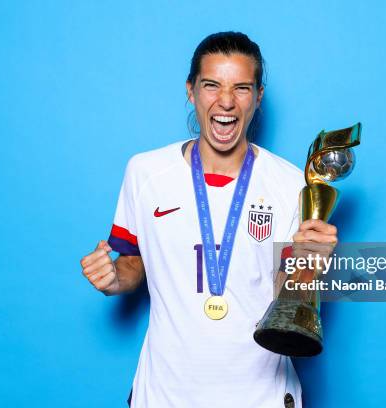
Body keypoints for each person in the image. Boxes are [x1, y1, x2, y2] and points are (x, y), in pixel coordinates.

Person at [80, 31, 338, 408]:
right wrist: (114, 277)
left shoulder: (290, 184)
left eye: (242, 88)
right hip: (164, 395)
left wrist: (308, 263)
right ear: (191, 90)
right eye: (211, 85)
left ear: (258, 96)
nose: (226, 102)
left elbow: (284, 289)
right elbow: (134, 262)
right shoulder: (145, 172)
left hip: (261, 395)